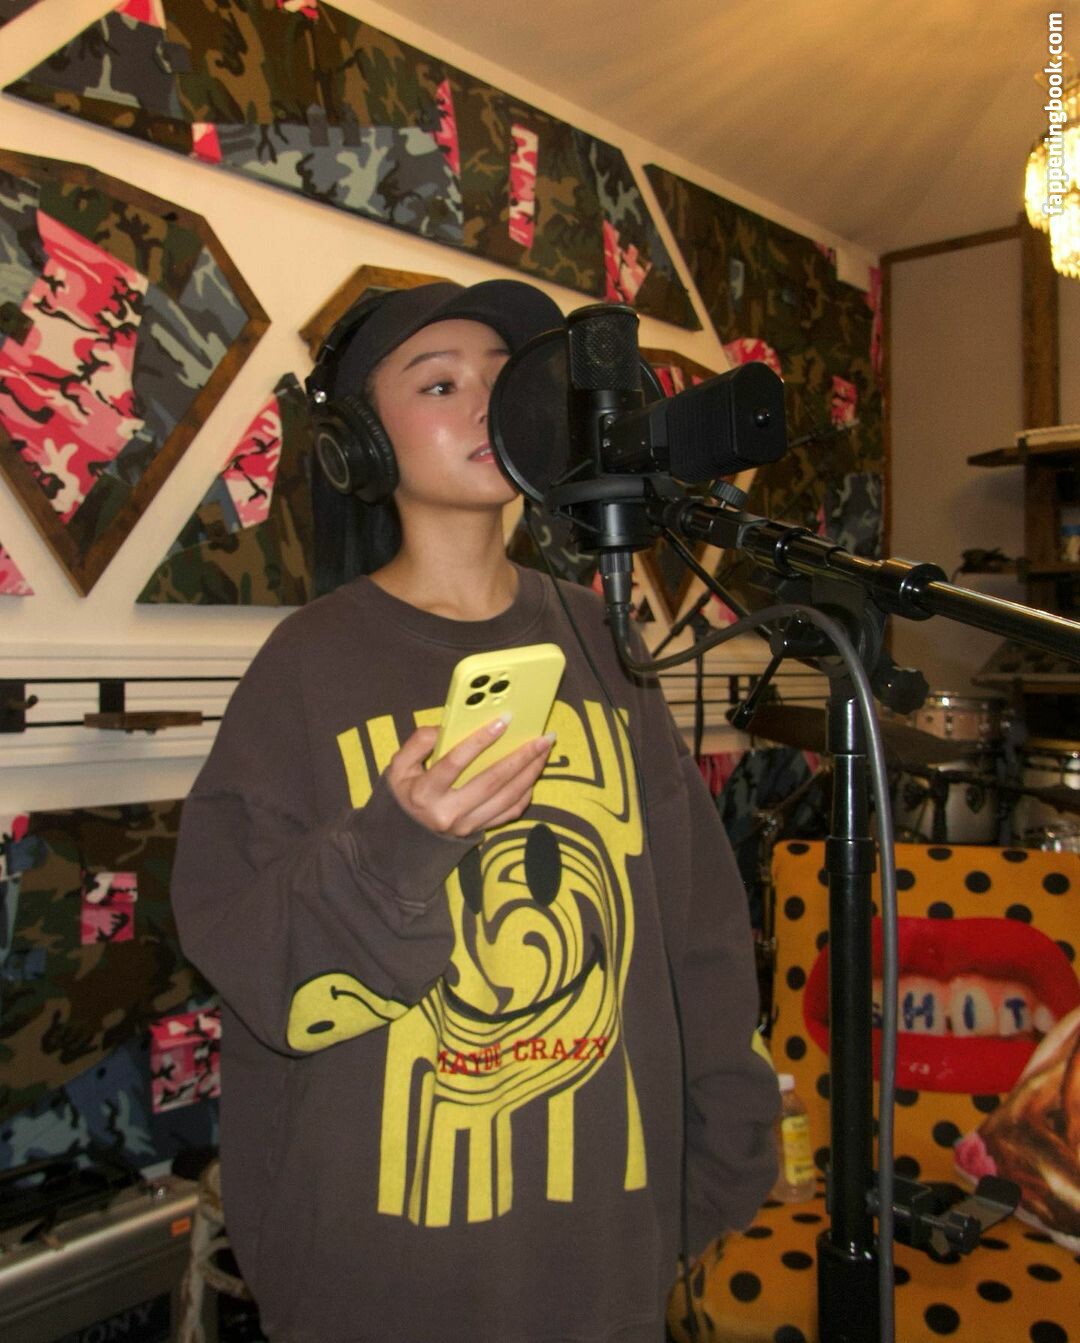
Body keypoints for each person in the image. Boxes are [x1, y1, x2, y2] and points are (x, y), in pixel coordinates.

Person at [171, 278, 779, 1343]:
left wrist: (723, 1151)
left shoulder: (603, 639)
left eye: (504, 382)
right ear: (363, 443)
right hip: (382, 1267)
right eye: (440, 383)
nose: (488, 406)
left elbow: (697, 928)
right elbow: (250, 955)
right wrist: (400, 843)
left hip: (601, 1248)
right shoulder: (306, 666)